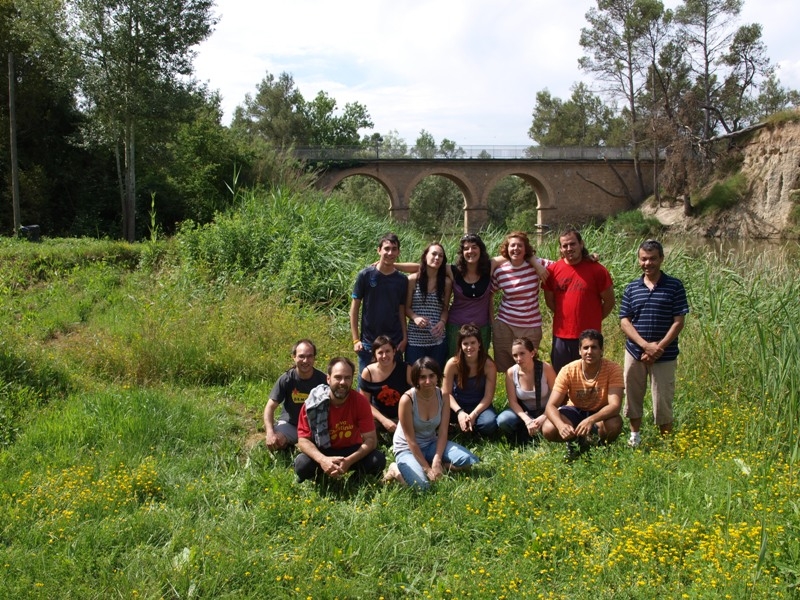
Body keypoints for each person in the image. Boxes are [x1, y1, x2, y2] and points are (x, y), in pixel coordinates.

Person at [619, 239, 689, 447]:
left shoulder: (674, 286)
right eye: (643, 259)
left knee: (663, 398)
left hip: (664, 354)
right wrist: (644, 346)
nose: (648, 263)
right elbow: (625, 321)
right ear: (638, 260)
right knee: (633, 395)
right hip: (635, 352)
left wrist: (658, 348)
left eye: (652, 259)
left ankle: (665, 442)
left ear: (661, 259)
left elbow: (678, 322)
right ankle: (635, 437)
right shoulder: (632, 288)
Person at [384, 357, 479, 490]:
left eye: (431, 376)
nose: (428, 381)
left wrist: (437, 460)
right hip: (407, 448)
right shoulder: (407, 399)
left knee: (468, 462)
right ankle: (396, 471)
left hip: (430, 443)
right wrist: (428, 470)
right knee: (422, 487)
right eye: (422, 377)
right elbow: (410, 440)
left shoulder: (443, 395)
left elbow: (443, 431)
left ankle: (435, 466)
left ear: (438, 376)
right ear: (416, 379)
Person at [294, 357, 386, 484]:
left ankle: (355, 481)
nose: (342, 382)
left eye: (347, 378)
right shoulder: (313, 403)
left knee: (378, 459)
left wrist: (348, 461)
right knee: (302, 464)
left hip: (350, 451)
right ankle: (321, 477)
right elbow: (303, 440)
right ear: (328, 378)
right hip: (323, 449)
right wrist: (323, 460)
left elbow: (371, 440)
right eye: (337, 377)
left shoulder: (360, 402)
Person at [544, 227, 615, 373]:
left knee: (590, 379)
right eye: (565, 246)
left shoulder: (597, 270)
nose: (569, 248)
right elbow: (550, 301)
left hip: (589, 338)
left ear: (581, 244)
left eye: (573, 244)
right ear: (560, 249)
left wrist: (594, 318)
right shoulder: (553, 270)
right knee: (562, 378)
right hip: (561, 336)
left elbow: (609, 301)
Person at [542, 329, 624, 455]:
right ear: (580, 351)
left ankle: (600, 446)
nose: (589, 352)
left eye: (594, 347)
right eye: (585, 348)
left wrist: (591, 420)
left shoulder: (613, 369)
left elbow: (615, 406)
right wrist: (560, 426)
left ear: (601, 350)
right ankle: (575, 441)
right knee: (548, 428)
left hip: (600, 411)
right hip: (575, 409)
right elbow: (551, 406)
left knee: (614, 424)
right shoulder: (568, 370)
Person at [350, 232, 409, 383]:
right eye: (386, 249)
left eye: (394, 249)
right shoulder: (365, 275)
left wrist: (404, 337)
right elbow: (354, 309)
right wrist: (356, 340)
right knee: (366, 385)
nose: (390, 253)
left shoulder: (402, 280)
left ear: (398, 252)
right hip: (369, 342)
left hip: (394, 342)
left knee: (395, 386)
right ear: (379, 250)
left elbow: (401, 310)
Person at [491, 231, 552, 372]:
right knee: (505, 370)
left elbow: (564, 266)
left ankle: (529, 394)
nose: (516, 249)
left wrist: (588, 258)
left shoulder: (538, 264)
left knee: (528, 368)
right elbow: (489, 294)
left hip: (530, 327)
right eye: (512, 245)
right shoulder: (500, 271)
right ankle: (509, 394)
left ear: (526, 250)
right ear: (506, 248)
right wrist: (492, 321)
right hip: (505, 326)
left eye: (520, 245)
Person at [264, 339, 327, 451]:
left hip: (315, 426)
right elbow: (270, 407)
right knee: (276, 442)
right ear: (294, 357)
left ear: (314, 358)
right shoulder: (286, 379)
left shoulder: (323, 380)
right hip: (291, 424)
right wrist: (270, 432)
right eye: (301, 356)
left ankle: (302, 446)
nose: (305, 360)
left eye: (309, 356)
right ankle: (291, 446)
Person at [496, 337, 557, 445]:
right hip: (524, 412)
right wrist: (527, 419)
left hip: (546, 411)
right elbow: (513, 402)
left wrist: (545, 416)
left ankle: (541, 436)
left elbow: (557, 396)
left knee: (551, 427)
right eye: (515, 355)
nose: (518, 358)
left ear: (532, 353)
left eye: (522, 353)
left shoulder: (546, 368)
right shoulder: (511, 372)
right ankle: (516, 437)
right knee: (502, 420)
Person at [442, 323, 498, 437]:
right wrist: (460, 412)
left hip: (479, 406)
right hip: (456, 406)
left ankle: (466, 426)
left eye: (473, 343)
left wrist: (474, 414)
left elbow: (488, 396)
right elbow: (446, 393)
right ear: (460, 346)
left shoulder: (489, 365)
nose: (469, 347)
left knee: (489, 424)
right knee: (435, 417)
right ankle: (459, 424)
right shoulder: (452, 364)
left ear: (479, 344)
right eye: (465, 344)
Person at [405, 242, 452, 368]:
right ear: (425, 256)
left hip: (437, 340)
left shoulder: (446, 283)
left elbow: (445, 308)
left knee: (435, 379)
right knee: (415, 379)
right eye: (434, 254)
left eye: (441, 256)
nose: (437, 258)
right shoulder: (413, 279)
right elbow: (406, 308)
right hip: (415, 340)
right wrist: (415, 317)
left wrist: (442, 322)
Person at [359, 335, 412, 434]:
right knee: (362, 424)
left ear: (394, 351)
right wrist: (384, 420)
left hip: (403, 414)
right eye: (380, 353)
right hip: (379, 416)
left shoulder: (405, 368)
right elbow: (364, 403)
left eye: (387, 351)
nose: (384, 356)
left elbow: (417, 391)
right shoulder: (368, 372)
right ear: (374, 355)